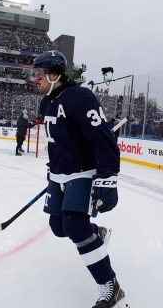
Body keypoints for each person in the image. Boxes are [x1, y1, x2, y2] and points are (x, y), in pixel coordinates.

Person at [32, 50, 126, 308]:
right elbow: (58, 141)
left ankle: (110, 287)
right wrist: (54, 170)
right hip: (60, 173)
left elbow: (104, 139)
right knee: (59, 227)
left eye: (38, 75)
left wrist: (107, 180)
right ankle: (96, 233)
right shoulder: (47, 102)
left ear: (54, 75)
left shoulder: (80, 98)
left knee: (74, 226)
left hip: (83, 172)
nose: (34, 79)